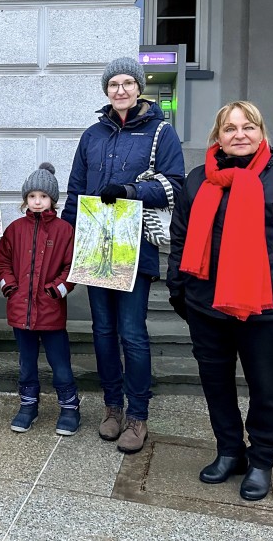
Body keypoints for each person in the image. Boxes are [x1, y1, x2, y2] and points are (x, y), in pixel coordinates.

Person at [166, 101, 273, 501]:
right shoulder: (198, 179)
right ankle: (229, 451)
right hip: (207, 305)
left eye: (248, 126)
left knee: (265, 387)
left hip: (265, 308)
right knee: (216, 384)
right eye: (229, 128)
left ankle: (262, 459)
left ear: (261, 132)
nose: (239, 134)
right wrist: (179, 290)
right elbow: (181, 237)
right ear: (216, 137)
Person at [63, 56, 185, 453]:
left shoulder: (161, 132)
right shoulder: (92, 136)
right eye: (113, 84)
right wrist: (67, 242)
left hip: (135, 250)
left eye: (127, 83)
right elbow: (76, 192)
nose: (120, 90)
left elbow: (176, 186)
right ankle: (112, 407)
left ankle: (138, 415)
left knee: (132, 333)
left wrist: (132, 191)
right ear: (106, 91)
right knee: (102, 332)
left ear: (139, 87)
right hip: (95, 247)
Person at [0, 163, 79, 435]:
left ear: (52, 199)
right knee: (26, 363)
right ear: (25, 200)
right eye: (32, 197)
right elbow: (2, 262)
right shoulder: (15, 229)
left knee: (61, 364)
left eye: (43, 196)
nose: (37, 201)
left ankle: (69, 407)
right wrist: (10, 287)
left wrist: (57, 290)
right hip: (21, 312)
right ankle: (28, 405)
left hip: (51, 312)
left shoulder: (65, 231)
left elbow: (72, 267)